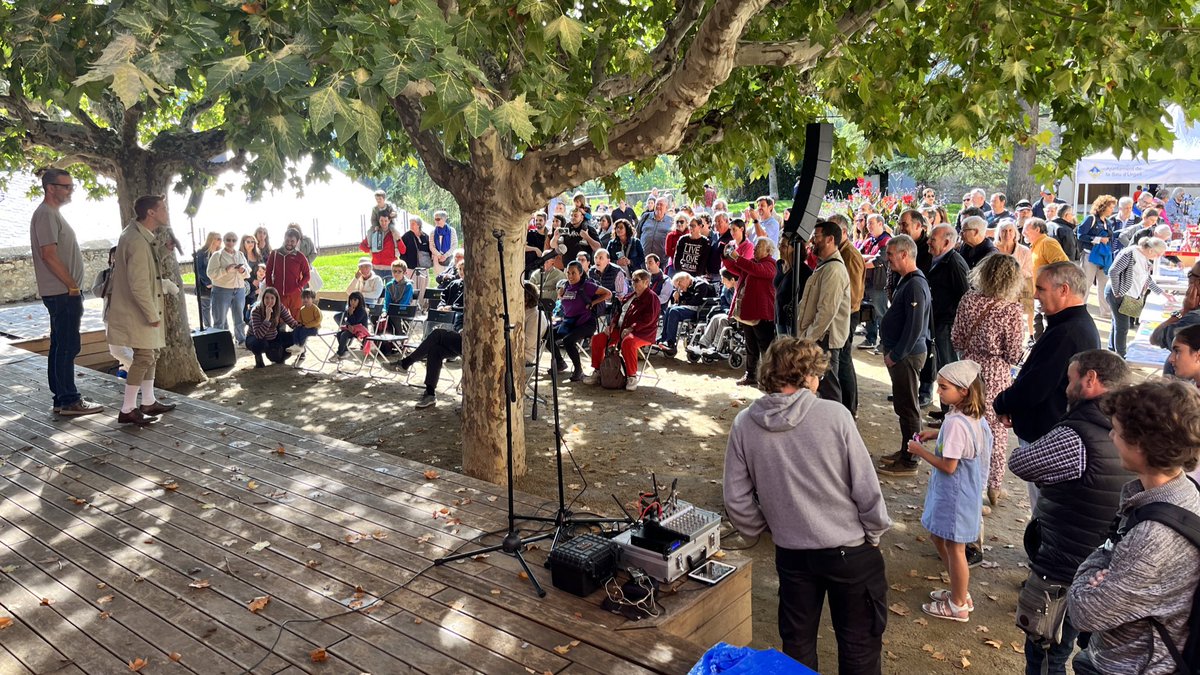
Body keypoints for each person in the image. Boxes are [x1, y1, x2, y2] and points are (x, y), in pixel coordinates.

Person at [723, 337, 890, 673]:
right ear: (810, 376)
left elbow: (736, 499)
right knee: (859, 647)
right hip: (849, 552)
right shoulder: (834, 415)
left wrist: (762, 528)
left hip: (791, 551)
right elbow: (867, 488)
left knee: (796, 647)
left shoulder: (745, 423)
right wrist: (875, 531)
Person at [1008, 349, 1132, 674]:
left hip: (1064, 566)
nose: (1065, 388)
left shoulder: (1077, 433)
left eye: (1070, 379)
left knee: (1047, 656)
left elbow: (1021, 462)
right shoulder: (1133, 426)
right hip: (1106, 566)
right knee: (1089, 654)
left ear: (1090, 379)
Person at [1067, 380, 1200, 675]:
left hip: (1131, 667)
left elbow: (1084, 611)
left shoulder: (1154, 536)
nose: (1112, 436)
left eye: (1117, 431)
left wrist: (1095, 571)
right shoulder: (1185, 491)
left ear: (1142, 445)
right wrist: (1111, 566)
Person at [994, 262, 1100, 506]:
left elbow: (1036, 385)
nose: (1035, 295)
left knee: (1045, 509)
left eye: (1041, 289)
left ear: (1063, 290)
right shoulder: (1068, 325)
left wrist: (1002, 403)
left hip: (1048, 429)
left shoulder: (1068, 331)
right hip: (1048, 426)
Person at [906, 361, 991, 622]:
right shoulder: (969, 417)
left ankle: (958, 603)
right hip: (964, 493)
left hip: (955, 495)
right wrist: (936, 433)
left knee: (955, 549)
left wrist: (920, 451)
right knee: (939, 538)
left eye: (943, 388)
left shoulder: (955, 423)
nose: (938, 392)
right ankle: (959, 591)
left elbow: (949, 466)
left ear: (964, 391)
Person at [952, 253, 1026, 506]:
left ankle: (967, 484)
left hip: (968, 371)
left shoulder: (968, 300)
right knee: (995, 432)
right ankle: (992, 486)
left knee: (965, 426)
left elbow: (957, 339)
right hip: (996, 374)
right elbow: (1015, 353)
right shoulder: (1012, 310)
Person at [30, 169, 102, 416]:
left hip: (62, 292)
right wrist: (72, 286)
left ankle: (62, 398)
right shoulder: (46, 214)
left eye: (72, 186)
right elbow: (48, 255)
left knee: (61, 344)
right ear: (51, 188)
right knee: (68, 345)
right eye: (67, 186)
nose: (71, 190)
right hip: (62, 293)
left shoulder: (51, 214)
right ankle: (69, 399)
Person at [107, 195, 177, 426]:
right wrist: (151, 315)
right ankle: (128, 408)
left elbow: (147, 265)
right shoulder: (136, 240)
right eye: (163, 208)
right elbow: (138, 284)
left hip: (140, 308)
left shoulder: (136, 234)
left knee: (151, 354)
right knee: (144, 356)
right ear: (151, 213)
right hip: (138, 310)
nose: (167, 212)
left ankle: (148, 400)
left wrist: (165, 251)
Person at [877, 235, 932, 477]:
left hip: (906, 356)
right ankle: (905, 450)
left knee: (908, 408)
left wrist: (896, 354)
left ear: (904, 254)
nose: (887, 259)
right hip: (900, 355)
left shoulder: (915, 284)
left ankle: (910, 460)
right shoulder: (906, 280)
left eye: (890, 254)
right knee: (903, 405)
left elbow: (914, 327)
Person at [795, 221, 851, 405]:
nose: (812, 241)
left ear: (830, 239)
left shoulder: (833, 269)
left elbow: (826, 311)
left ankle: (836, 424)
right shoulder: (826, 265)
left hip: (823, 338)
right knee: (821, 384)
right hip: (819, 337)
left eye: (816, 237)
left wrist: (810, 338)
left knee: (828, 387)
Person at [585, 269, 661, 391]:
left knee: (628, 342)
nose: (633, 284)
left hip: (642, 333)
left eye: (636, 281)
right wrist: (612, 325)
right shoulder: (630, 296)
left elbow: (649, 319)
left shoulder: (652, 298)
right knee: (598, 339)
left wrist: (632, 328)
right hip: (621, 330)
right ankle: (598, 371)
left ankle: (632, 376)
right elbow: (619, 313)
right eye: (632, 281)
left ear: (646, 282)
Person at [926, 224, 970, 409]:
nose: (928, 242)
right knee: (942, 368)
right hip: (939, 321)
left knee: (949, 370)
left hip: (947, 324)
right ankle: (946, 412)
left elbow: (965, 295)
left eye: (932, 239)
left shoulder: (954, 263)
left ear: (946, 242)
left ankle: (952, 413)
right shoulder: (939, 259)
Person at [724, 237, 778, 387]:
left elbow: (755, 270)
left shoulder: (771, 265)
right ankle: (751, 375)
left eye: (758, 247)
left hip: (762, 314)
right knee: (751, 346)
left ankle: (769, 379)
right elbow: (735, 269)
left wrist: (737, 257)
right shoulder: (753, 263)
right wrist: (726, 256)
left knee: (765, 348)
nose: (754, 249)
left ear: (768, 251)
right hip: (748, 314)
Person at [1105, 236, 1171, 356]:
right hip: (1119, 294)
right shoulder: (1130, 253)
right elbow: (1113, 271)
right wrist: (1117, 292)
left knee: (1117, 325)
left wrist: (1163, 293)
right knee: (1122, 327)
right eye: (1158, 254)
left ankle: (1113, 352)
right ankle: (1121, 356)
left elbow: (1147, 279)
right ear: (1151, 250)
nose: (1158, 257)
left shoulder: (1144, 257)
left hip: (1126, 295)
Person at [829, 214, 866, 415]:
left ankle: (849, 408)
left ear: (844, 231)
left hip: (847, 315)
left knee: (843, 360)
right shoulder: (838, 251)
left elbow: (853, 293)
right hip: (841, 314)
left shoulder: (850, 255)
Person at [552, 261, 611, 381]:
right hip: (569, 322)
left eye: (573, 273)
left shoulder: (587, 286)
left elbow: (608, 293)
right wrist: (561, 294)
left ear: (580, 273)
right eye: (568, 273)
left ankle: (578, 370)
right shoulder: (566, 286)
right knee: (548, 336)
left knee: (568, 341)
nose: (570, 276)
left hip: (586, 323)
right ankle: (560, 362)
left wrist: (593, 303)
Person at [1025, 218, 1070, 340]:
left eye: (1026, 230)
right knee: (1038, 324)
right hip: (1037, 294)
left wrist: (1049, 287)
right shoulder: (1035, 245)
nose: (1023, 233)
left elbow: (1062, 265)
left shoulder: (1047, 242)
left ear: (1037, 229)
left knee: (1048, 325)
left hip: (1048, 294)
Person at [656, 272, 715, 356]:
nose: (680, 287)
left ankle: (671, 342)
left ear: (687, 278)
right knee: (669, 309)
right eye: (678, 285)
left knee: (674, 311)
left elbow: (696, 301)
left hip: (700, 311)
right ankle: (664, 337)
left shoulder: (701, 284)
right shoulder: (688, 285)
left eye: (680, 283)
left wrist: (682, 299)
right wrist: (678, 296)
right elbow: (686, 300)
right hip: (692, 308)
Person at [207, 231, 250, 345]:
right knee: (219, 319)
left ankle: (241, 340)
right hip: (222, 290)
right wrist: (226, 270)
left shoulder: (240, 254)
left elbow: (248, 272)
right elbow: (210, 273)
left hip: (239, 290)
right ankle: (220, 343)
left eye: (233, 240)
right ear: (224, 241)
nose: (231, 242)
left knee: (239, 318)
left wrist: (243, 270)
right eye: (228, 240)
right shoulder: (217, 255)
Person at [1078, 195, 1117, 318]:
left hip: (1104, 258)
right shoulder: (1091, 219)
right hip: (1090, 255)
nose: (1112, 210)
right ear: (1103, 206)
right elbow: (1080, 235)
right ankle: (1079, 310)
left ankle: (1105, 312)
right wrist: (1099, 239)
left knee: (1104, 284)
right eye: (1110, 207)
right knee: (1086, 283)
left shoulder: (1108, 222)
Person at [996, 220, 1036, 339]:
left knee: (1016, 322)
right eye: (1003, 231)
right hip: (997, 290)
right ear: (999, 233)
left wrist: (1011, 272)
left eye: (1010, 231)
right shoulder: (993, 248)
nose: (1007, 234)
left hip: (1018, 289)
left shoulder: (1024, 251)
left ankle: (1028, 336)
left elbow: (1029, 272)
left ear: (1015, 233)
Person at [858, 213, 891, 350]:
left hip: (879, 284)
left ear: (880, 224)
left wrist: (862, 262)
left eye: (871, 223)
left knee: (881, 313)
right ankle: (870, 339)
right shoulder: (869, 240)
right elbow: (858, 255)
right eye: (867, 223)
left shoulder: (887, 241)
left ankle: (885, 343)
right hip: (867, 283)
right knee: (869, 313)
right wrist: (867, 258)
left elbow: (878, 261)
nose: (868, 226)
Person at [247, 286, 300, 368]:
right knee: (260, 343)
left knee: (295, 337)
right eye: (267, 298)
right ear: (263, 298)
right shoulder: (256, 311)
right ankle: (258, 358)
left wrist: (301, 329)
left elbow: (291, 321)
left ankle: (280, 355)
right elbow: (258, 335)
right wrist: (267, 318)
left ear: (276, 299)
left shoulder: (279, 307)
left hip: (273, 336)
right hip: (255, 338)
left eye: (272, 298)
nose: (269, 301)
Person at [264, 229, 311, 318]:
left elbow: (307, 275)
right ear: (284, 239)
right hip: (278, 293)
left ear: (297, 242)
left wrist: (299, 286)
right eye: (287, 240)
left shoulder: (300, 256)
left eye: (292, 241)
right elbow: (268, 272)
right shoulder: (274, 254)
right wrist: (270, 288)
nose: (289, 243)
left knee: (298, 320)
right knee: (279, 320)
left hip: (295, 294)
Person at [359, 208, 405, 281]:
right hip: (376, 268)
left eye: (386, 221)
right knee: (377, 291)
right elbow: (362, 246)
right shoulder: (373, 233)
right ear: (378, 221)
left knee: (390, 291)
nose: (384, 223)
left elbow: (403, 250)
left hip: (390, 269)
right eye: (381, 220)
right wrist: (371, 249)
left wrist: (398, 239)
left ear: (389, 221)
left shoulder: (394, 233)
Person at [401, 216, 434, 303]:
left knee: (423, 287)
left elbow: (430, 250)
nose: (411, 225)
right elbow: (402, 251)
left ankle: (422, 305)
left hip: (423, 267)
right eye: (410, 224)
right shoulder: (406, 236)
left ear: (419, 225)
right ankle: (412, 306)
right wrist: (405, 267)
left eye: (413, 224)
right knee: (413, 287)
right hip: (411, 267)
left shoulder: (425, 236)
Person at [193, 231, 221, 328]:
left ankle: (218, 328)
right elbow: (198, 269)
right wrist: (207, 282)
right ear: (211, 239)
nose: (220, 241)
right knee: (206, 308)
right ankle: (208, 328)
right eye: (218, 238)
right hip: (205, 286)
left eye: (220, 238)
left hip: (218, 285)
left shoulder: (220, 253)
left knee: (218, 308)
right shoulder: (201, 253)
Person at [333, 291, 370, 361]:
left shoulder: (362, 310)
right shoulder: (350, 309)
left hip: (361, 331)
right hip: (352, 330)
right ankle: (345, 351)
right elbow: (349, 321)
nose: (352, 302)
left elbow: (355, 322)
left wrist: (351, 314)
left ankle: (339, 353)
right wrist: (348, 322)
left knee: (344, 334)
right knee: (339, 334)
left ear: (360, 301)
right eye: (351, 300)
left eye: (355, 300)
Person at [292, 289, 322, 365]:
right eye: (304, 298)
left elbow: (318, 320)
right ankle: (296, 345)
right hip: (305, 327)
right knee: (296, 330)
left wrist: (307, 326)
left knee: (303, 332)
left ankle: (301, 347)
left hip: (314, 328)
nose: (305, 300)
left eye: (308, 298)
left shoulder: (315, 309)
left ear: (312, 299)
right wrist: (300, 324)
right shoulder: (302, 310)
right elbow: (301, 320)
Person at [430, 210, 458, 279]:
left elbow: (455, 244)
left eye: (438, 219)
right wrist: (439, 255)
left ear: (444, 219)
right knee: (439, 278)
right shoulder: (433, 232)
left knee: (449, 278)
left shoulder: (452, 230)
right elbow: (431, 246)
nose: (436, 221)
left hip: (449, 258)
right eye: (435, 219)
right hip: (437, 259)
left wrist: (445, 255)